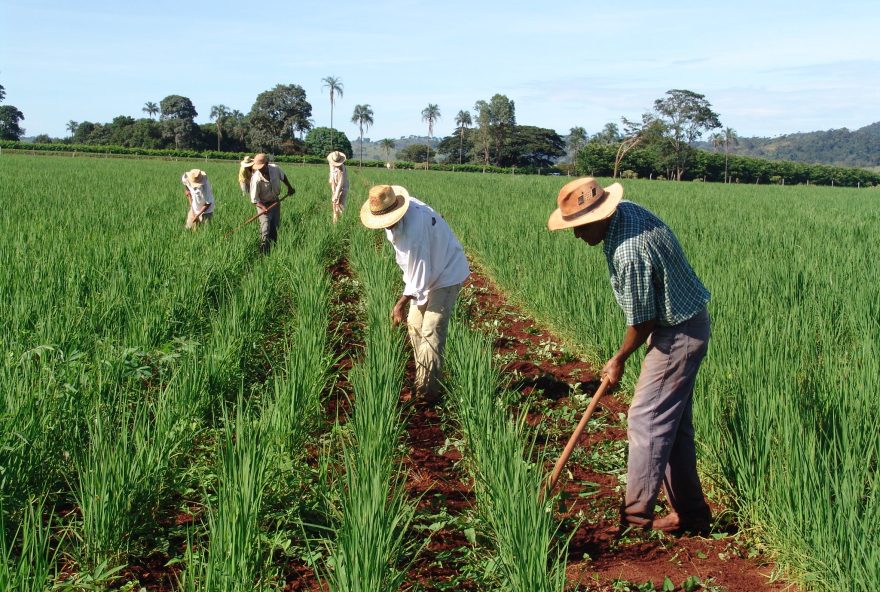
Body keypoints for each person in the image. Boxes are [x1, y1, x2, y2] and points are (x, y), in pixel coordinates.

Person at [547, 177, 712, 534]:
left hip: (677, 333)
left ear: (600, 217)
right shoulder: (626, 213)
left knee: (646, 419)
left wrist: (619, 357)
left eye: (578, 227)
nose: (576, 235)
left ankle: (635, 519)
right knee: (672, 427)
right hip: (682, 324)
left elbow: (644, 319)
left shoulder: (629, 250)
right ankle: (693, 516)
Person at [360, 185, 470, 403]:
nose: (386, 224)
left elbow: (418, 276)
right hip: (428, 269)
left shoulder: (414, 231)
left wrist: (399, 304)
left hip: (446, 273)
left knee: (431, 330)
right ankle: (426, 377)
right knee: (414, 326)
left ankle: (426, 393)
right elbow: (415, 270)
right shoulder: (396, 211)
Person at [249, 153, 295, 253]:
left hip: (275, 202)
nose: (260, 169)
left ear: (267, 163)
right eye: (258, 168)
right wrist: (263, 207)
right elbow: (254, 199)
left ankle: (273, 249)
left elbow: (283, 177)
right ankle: (263, 251)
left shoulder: (275, 169)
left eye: (261, 167)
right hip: (262, 205)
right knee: (265, 228)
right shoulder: (256, 178)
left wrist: (289, 187)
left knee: (275, 227)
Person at [327, 151, 349, 224]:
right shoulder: (331, 164)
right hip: (335, 187)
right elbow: (331, 175)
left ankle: (342, 222)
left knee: (340, 205)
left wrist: (336, 196)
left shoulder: (342, 170)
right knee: (334, 206)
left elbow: (340, 184)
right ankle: (335, 222)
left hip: (343, 188)